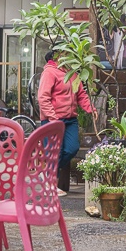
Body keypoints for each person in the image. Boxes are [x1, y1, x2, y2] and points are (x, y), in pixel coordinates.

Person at [38, 49, 93, 195]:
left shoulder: (72, 73)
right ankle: (50, 184)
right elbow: (43, 97)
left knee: (71, 148)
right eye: (64, 54)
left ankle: (47, 175)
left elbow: (81, 94)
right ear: (56, 57)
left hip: (70, 120)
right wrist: (53, 117)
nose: (68, 56)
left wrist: (90, 109)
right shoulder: (49, 72)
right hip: (53, 119)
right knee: (53, 152)